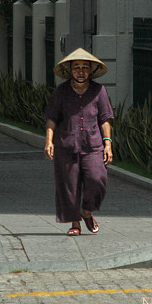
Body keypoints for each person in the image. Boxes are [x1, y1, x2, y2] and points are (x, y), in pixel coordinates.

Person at [43, 48, 113, 236]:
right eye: (76, 68)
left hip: (93, 146)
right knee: (69, 185)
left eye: (84, 67)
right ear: (70, 71)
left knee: (97, 179)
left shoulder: (99, 91)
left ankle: (86, 211)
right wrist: (49, 141)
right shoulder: (61, 91)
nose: (80, 71)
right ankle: (75, 223)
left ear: (90, 70)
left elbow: (105, 119)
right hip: (66, 146)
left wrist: (108, 144)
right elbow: (51, 117)